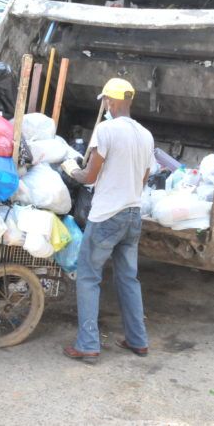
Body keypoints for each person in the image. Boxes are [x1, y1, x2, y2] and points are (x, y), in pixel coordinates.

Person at [61, 78, 154, 364]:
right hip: (132, 214)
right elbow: (144, 178)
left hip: (106, 216)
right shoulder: (146, 135)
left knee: (88, 276)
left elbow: (89, 176)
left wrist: (70, 169)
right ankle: (137, 340)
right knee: (128, 277)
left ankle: (88, 344)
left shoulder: (106, 130)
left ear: (110, 102)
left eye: (105, 102)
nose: (105, 106)